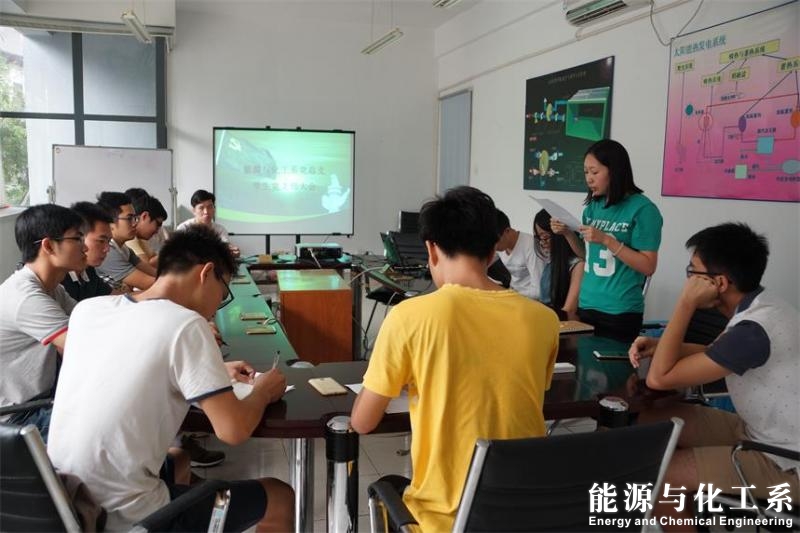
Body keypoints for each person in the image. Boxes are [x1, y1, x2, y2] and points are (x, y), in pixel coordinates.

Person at [47, 225, 294, 531]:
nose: (217, 305)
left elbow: (134, 364)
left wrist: (214, 371)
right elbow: (233, 430)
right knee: (279, 496)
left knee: (179, 460)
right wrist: (263, 391)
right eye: (223, 292)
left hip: (64, 501)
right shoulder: (187, 324)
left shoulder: (89, 310)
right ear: (206, 273)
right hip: (126, 515)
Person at [351, 186, 559, 531]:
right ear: (492, 252)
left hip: (445, 521)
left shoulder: (410, 317)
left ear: (431, 249)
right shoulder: (544, 320)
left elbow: (362, 422)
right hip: (522, 514)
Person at [629, 223, 799, 530]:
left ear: (718, 282)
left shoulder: (753, 331)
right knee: (649, 422)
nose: (688, 280)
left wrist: (685, 303)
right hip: (760, 431)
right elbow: (714, 352)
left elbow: (659, 379)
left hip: (786, 460)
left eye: (692, 272)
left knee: (661, 478)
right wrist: (661, 345)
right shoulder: (761, 306)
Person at [552, 139, 662, 342]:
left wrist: (606, 240)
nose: (589, 179)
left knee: (614, 362)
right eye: (586, 172)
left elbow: (648, 266)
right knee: (581, 359)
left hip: (620, 310)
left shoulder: (643, 209)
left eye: (594, 172)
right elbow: (587, 255)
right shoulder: (592, 208)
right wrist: (567, 233)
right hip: (587, 304)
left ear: (615, 171)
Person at [0, 204, 86, 439]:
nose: (85, 246)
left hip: (40, 401)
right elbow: (85, 346)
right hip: (16, 416)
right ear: (48, 246)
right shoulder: (25, 298)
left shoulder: (53, 289)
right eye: (77, 238)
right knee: (106, 424)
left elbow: (87, 323)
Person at [96, 191, 157, 290]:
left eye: (135, 218)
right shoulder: (108, 251)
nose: (135, 223)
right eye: (129, 219)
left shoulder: (125, 249)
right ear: (109, 221)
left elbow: (154, 273)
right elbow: (151, 284)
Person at [533, 209, 584, 319]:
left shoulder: (578, 265)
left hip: (565, 322)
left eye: (545, 237)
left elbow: (570, 311)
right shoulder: (551, 262)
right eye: (538, 238)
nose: (542, 243)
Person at [60, 201, 115, 301]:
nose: (107, 249)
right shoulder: (58, 278)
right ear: (78, 236)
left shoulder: (88, 270)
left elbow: (115, 297)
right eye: (101, 241)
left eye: (108, 241)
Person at [494, 208, 545, 299]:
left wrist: (509, 295)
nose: (493, 246)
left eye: (495, 241)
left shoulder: (530, 246)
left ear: (507, 231)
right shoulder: (500, 245)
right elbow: (481, 264)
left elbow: (539, 291)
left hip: (530, 299)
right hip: (513, 292)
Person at [177, 189, 240, 257]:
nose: (206, 212)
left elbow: (225, 247)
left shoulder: (220, 230)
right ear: (194, 211)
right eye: (201, 208)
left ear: (214, 209)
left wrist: (231, 252)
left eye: (210, 207)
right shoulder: (183, 229)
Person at [127, 193, 168, 268]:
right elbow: (147, 268)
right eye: (158, 224)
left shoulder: (141, 240)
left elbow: (154, 261)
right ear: (145, 216)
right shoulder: (129, 238)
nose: (157, 231)